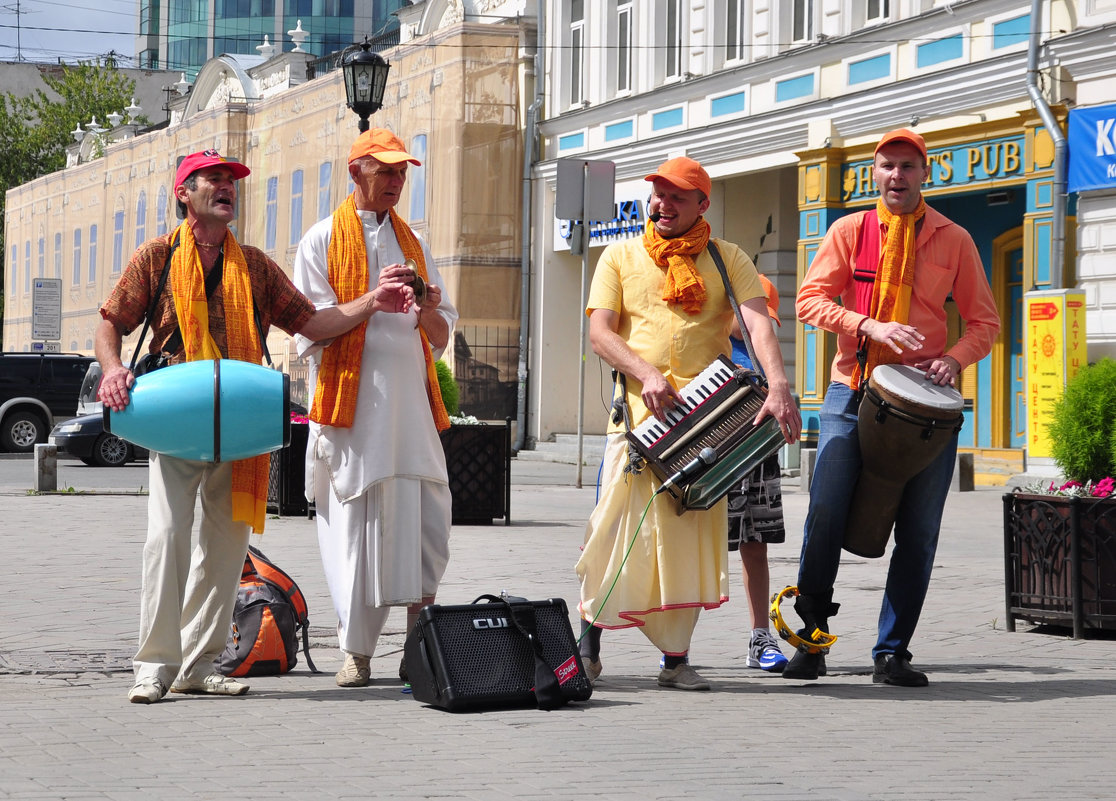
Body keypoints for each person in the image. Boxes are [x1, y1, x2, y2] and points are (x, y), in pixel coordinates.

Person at [97, 149, 410, 704]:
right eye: (213, 180)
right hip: (176, 412)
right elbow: (112, 321)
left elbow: (311, 322)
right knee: (167, 537)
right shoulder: (158, 257)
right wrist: (114, 369)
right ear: (184, 194)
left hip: (239, 420)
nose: (227, 188)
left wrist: (371, 302)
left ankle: (198, 664)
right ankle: (154, 664)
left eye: (232, 181)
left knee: (225, 545)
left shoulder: (258, 267)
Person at [576, 156, 801, 691]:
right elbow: (601, 335)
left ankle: (675, 661)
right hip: (637, 424)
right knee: (613, 533)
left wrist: (779, 385)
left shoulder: (728, 258)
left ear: (703, 204)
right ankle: (587, 647)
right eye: (658, 193)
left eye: (677, 196)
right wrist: (645, 373)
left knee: (688, 542)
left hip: (709, 426)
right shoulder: (619, 255)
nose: (663, 204)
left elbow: (758, 323)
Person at [788, 128, 999, 686]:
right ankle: (812, 643)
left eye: (908, 166)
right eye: (887, 166)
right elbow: (809, 300)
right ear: (873, 174)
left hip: (927, 408)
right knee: (826, 511)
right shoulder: (850, 230)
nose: (897, 176)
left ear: (924, 173)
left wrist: (954, 359)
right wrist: (867, 324)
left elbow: (985, 324)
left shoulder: (954, 239)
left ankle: (892, 652)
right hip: (852, 390)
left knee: (921, 528)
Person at [292, 128, 458, 688]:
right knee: (357, 536)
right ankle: (356, 653)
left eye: (402, 172)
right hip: (354, 419)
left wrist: (428, 305)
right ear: (355, 172)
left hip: (412, 416)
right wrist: (373, 300)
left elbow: (439, 336)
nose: (396, 180)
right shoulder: (320, 240)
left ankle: (418, 651)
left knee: (427, 530)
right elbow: (311, 326)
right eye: (384, 170)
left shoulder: (415, 244)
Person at [727, 274, 789, 673]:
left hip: (758, 456)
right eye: (754, 315)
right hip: (717, 458)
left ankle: (759, 637)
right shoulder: (710, 341)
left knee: (756, 543)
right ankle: (678, 644)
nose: (759, 323)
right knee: (698, 549)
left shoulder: (762, 348)